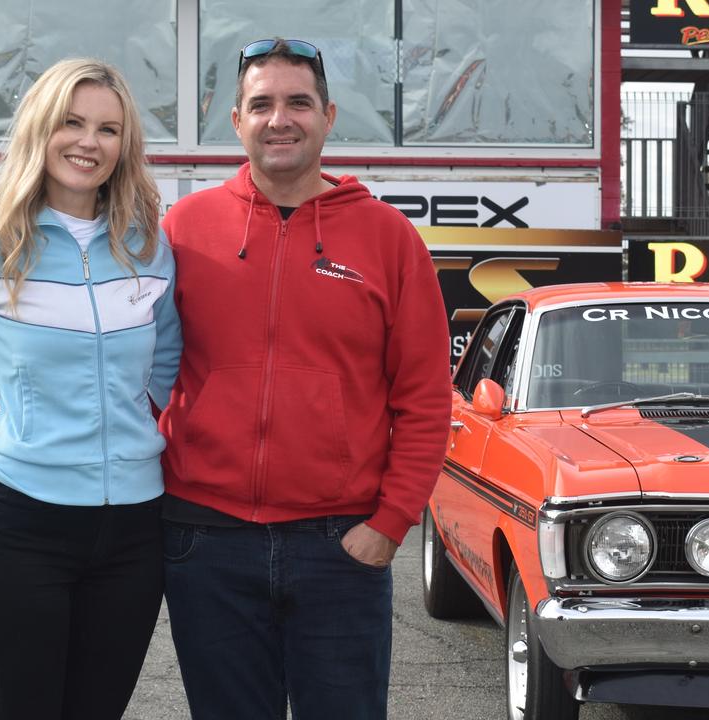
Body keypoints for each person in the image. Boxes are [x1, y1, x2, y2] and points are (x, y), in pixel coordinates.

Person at [157, 38, 450, 719]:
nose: (278, 119)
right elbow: (128, 361)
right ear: (236, 121)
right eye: (260, 104)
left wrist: (390, 521)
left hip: (339, 543)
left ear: (327, 116)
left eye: (297, 102)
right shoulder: (185, 228)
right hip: (207, 540)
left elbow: (425, 397)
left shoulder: (387, 238)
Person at [0, 59, 180, 720]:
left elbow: (172, 370)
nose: (88, 142)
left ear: (123, 146)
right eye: (71, 123)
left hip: (136, 528)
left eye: (107, 128)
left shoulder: (149, 248)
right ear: (40, 132)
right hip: (25, 522)